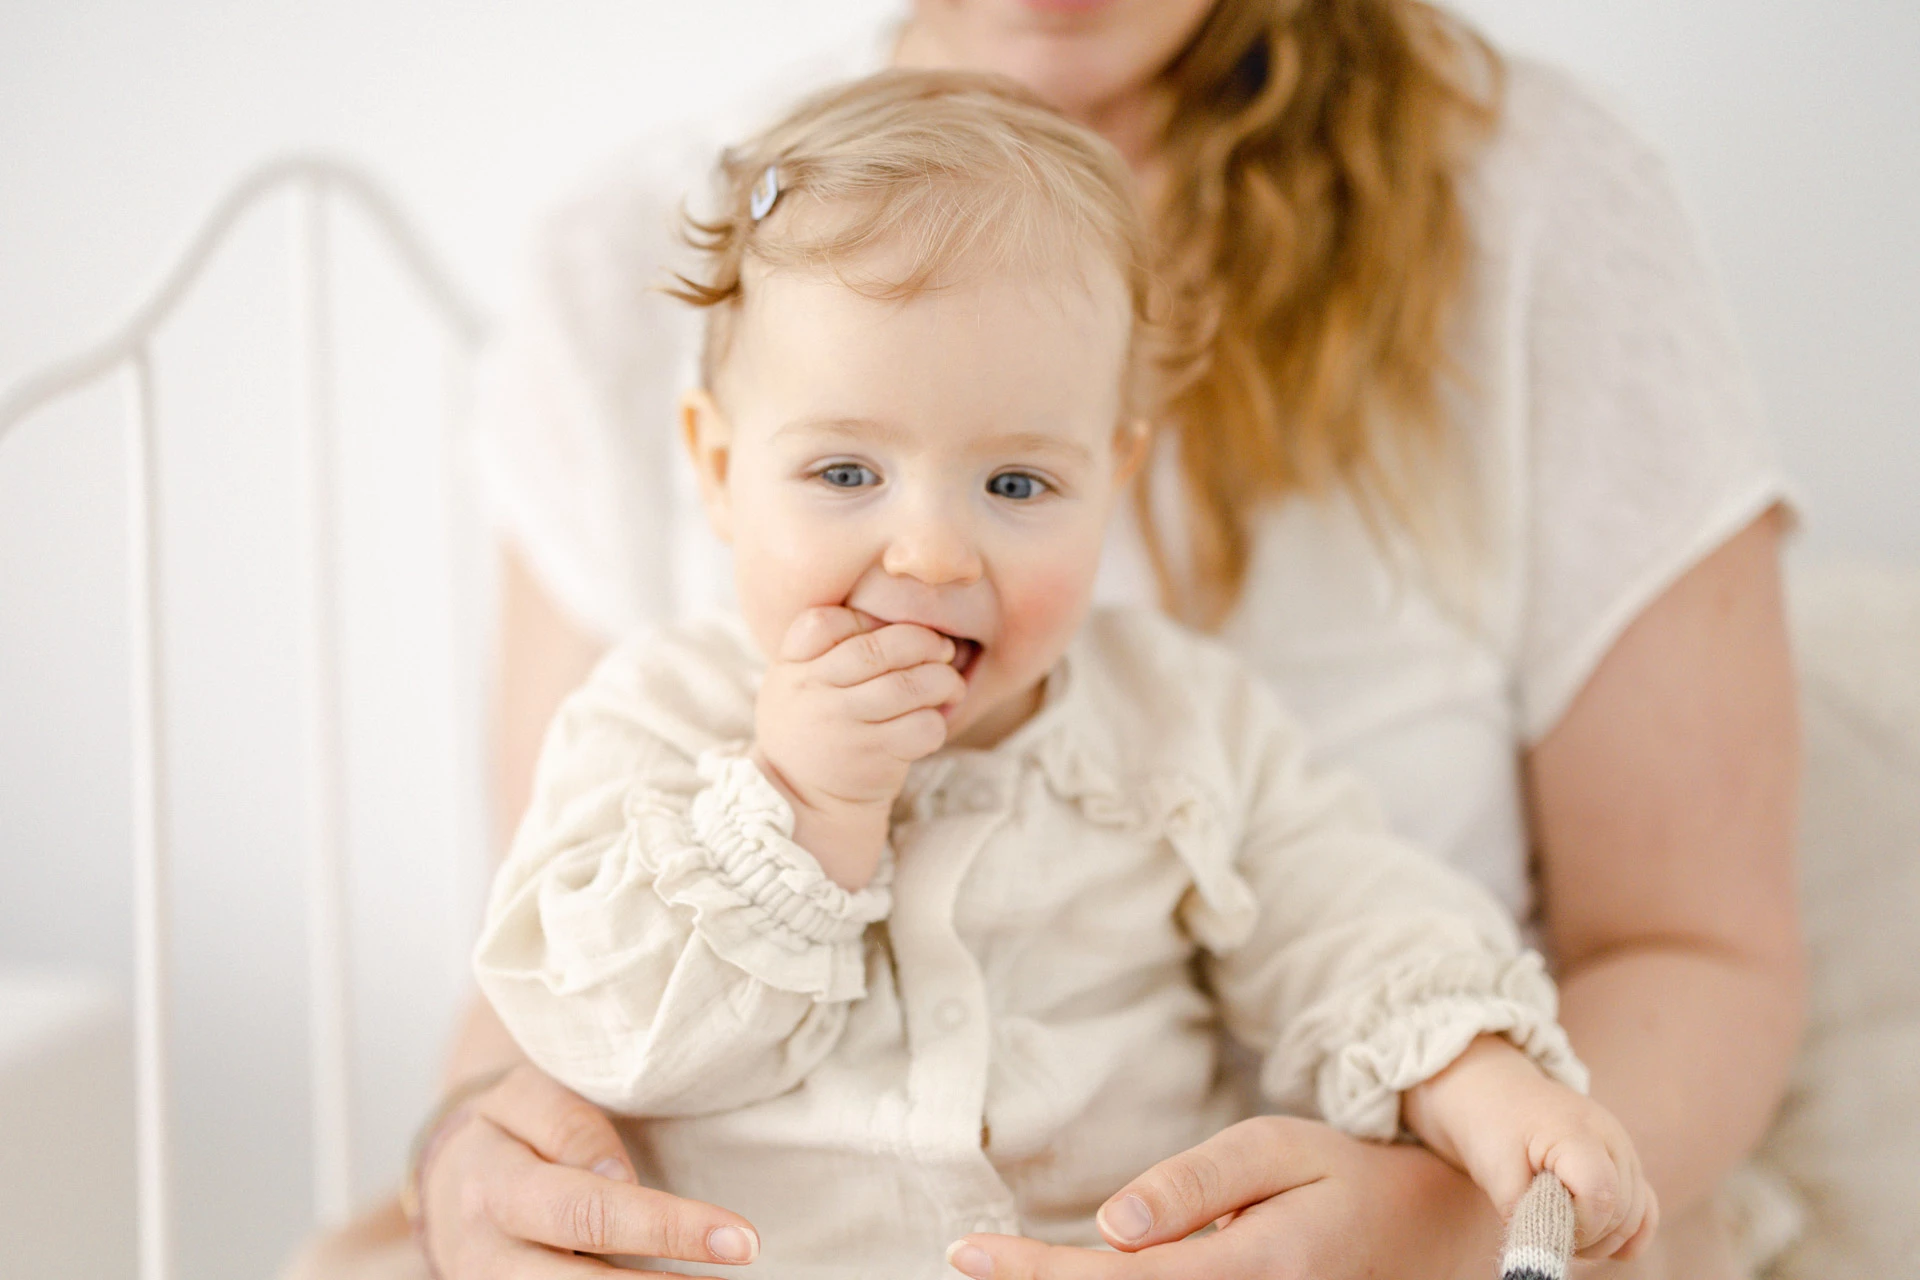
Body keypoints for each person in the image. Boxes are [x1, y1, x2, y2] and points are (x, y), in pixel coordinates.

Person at [282, 3, 1802, 1279]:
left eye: (1018, 484)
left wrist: (1468, 1084)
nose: (933, 550)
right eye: (842, 474)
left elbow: (1351, 916)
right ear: (713, 463)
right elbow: (574, 1011)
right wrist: (794, 816)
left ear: (1114, 477)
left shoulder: (1182, 724)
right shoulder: (658, 720)